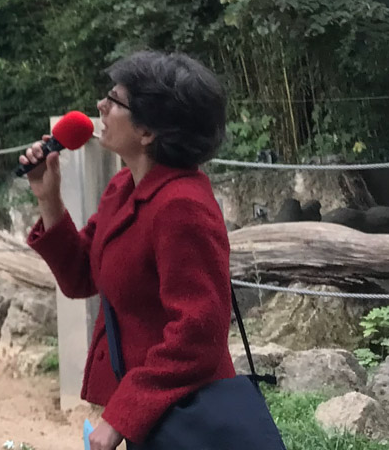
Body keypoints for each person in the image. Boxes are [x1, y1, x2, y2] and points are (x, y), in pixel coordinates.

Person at [19, 51, 235, 450]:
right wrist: (49, 198)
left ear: (148, 132)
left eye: (115, 100)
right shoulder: (124, 188)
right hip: (154, 420)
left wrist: (123, 414)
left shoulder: (182, 206)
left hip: (188, 420)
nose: (100, 105)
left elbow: (198, 334)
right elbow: (83, 275)